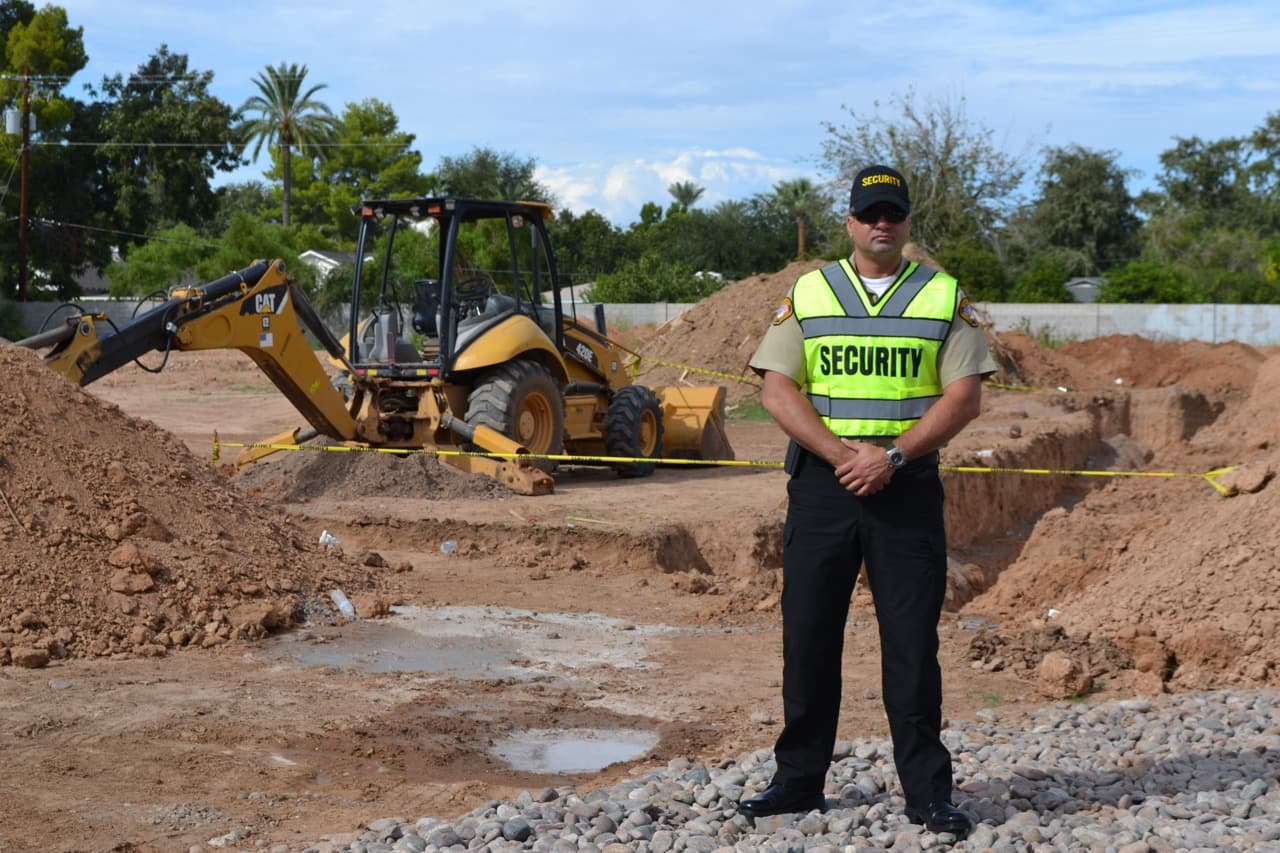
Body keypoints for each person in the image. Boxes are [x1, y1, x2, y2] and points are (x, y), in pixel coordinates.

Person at [737, 164, 994, 837]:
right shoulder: (810, 292)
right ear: (849, 222)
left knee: (911, 645)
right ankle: (797, 782)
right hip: (824, 487)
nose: (882, 223)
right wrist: (841, 453)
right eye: (869, 212)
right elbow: (776, 388)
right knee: (809, 637)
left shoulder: (943, 297)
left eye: (893, 213)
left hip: (904, 487)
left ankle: (927, 792)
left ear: (908, 223)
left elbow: (964, 396)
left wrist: (893, 455)